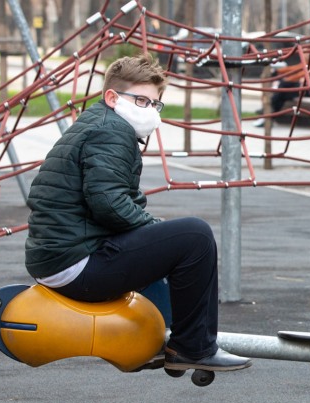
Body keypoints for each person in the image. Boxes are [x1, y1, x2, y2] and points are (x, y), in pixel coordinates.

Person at [24, 54, 252, 373]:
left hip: (62, 258)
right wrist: (151, 228)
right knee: (195, 237)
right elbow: (108, 203)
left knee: (170, 240)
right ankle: (193, 347)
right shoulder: (111, 130)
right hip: (74, 263)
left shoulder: (100, 122)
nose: (149, 111)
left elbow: (109, 201)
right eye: (141, 100)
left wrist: (150, 234)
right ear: (112, 97)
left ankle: (167, 340)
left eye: (155, 104)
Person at [260, 48, 310, 127]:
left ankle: (268, 114)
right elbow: (295, 69)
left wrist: (307, 82)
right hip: (307, 89)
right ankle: (269, 115)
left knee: (283, 91)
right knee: (283, 89)